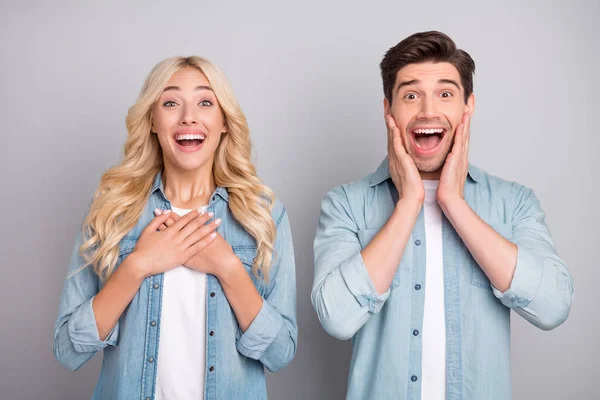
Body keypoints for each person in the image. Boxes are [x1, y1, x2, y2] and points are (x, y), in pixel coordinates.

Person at [312, 31, 573, 400]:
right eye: (411, 95)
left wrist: (454, 203)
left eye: (446, 94)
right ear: (389, 110)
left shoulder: (514, 203)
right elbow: (337, 318)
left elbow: (553, 307)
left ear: (468, 107)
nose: (428, 111)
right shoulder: (345, 204)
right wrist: (408, 204)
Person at [53, 56, 297, 400]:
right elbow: (68, 349)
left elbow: (280, 352)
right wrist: (137, 266)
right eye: (170, 103)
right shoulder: (111, 211)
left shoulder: (264, 216)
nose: (188, 117)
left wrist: (229, 268)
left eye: (205, 102)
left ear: (224, 121)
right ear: (152, 120)